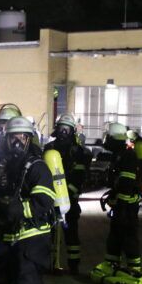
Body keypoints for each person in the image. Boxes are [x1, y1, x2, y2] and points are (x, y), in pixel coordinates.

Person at [0, 116, 56, 284]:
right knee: (3, 274)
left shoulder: (37, 166)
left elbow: (45, 201)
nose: (17, 141)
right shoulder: (5, 164)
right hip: (10, 232)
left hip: (32, 236)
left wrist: (19, 209)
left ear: (29, 139)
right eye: (13, 137)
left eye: (22, 137)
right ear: (6, 139)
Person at [90, 122, 142, 284]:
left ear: (115, 138)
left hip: (127, 207)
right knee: (115, 237)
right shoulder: (119, 155)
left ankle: (134, 270)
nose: (106, 140)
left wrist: (121, 206)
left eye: (108, 137)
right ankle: (111, 265)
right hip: (121, 206)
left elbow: (127, 183)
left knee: (129, 237)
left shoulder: (127, 156)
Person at [44, 113, 91, 274]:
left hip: (69, 199)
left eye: (67, 129)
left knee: (71, 233)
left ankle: (74, 265)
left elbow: (80, 176)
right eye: (61, 128)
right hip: (49, 197)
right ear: (56, 129)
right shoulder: (48, 148)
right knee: (49, 233)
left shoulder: (79, 152)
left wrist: (68, 194)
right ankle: (50, 263)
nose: (64, 132)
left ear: (72, 131)